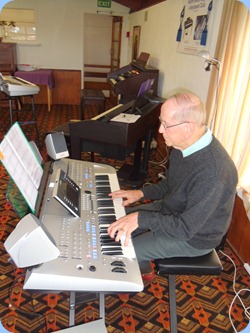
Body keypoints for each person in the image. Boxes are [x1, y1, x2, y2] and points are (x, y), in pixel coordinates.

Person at [107, 91, 238, 281]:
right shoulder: (182, 145)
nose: (160, 130)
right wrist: (139, 193)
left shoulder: (213, 173)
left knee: (123, 248)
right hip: (173, 211)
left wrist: (142, 219)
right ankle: (142, 265)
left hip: (193, 237)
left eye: (166, 125)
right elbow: (171, 184)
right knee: (116, 220)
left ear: (188, 127)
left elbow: (185, 228)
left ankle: (137, 270)